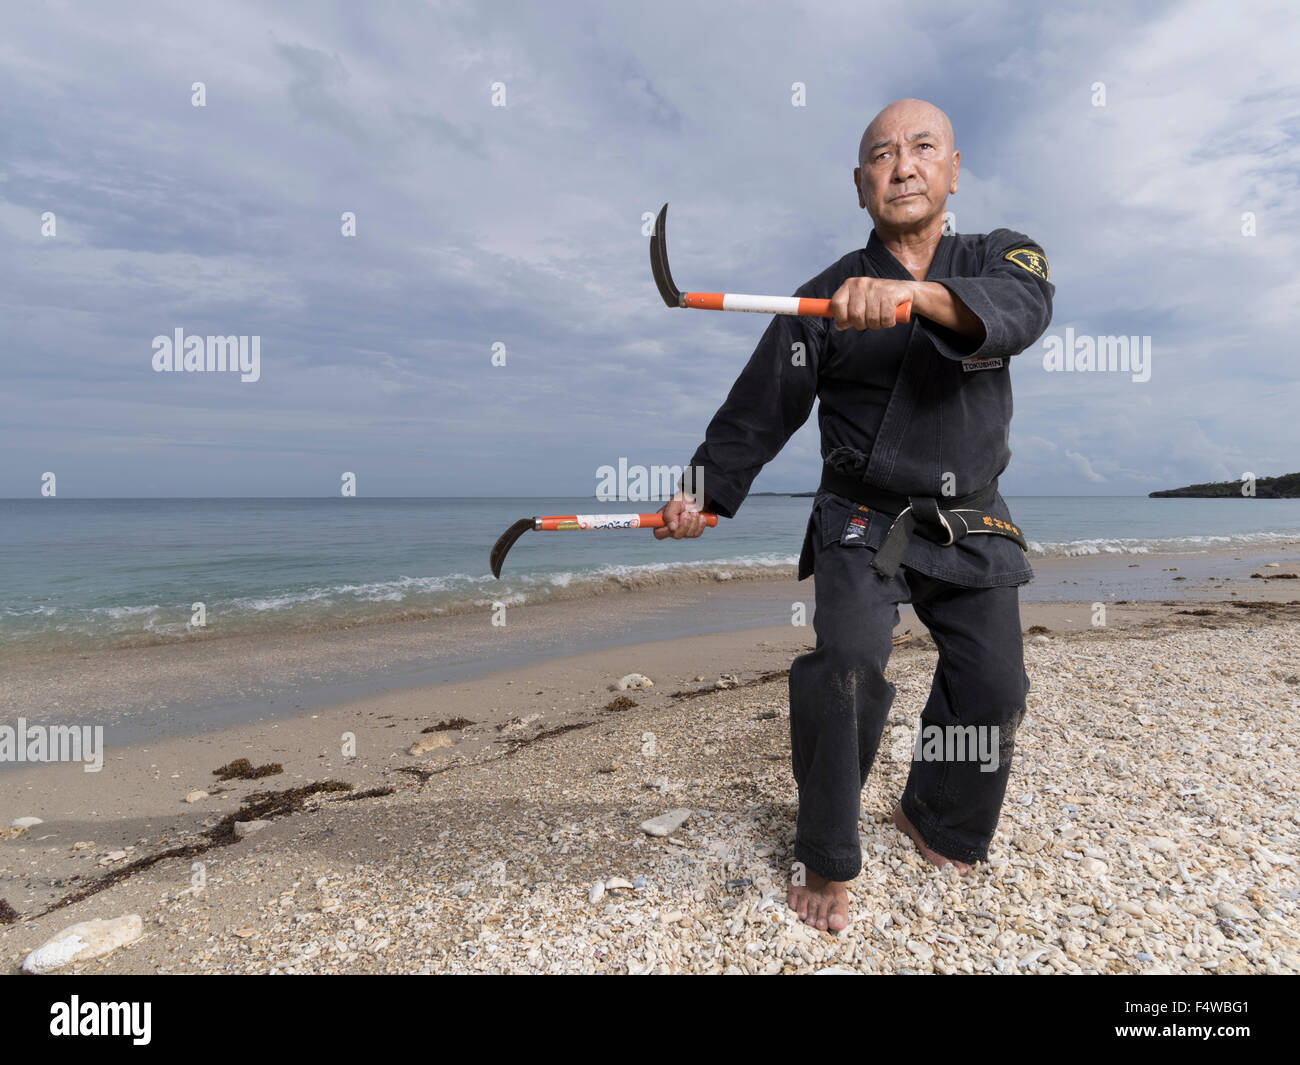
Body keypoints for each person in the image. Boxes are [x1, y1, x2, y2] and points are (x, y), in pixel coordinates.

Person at [655, 98, 1054, 932]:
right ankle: (826, 854)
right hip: (861, 520)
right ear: (860, 185)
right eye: (881, 154)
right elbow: (756, 413)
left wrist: (919, 300)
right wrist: (699, 494)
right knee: (846, 666)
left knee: (995, 685)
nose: (902, 165)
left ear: (952, 170)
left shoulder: (1004, 257)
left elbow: (1023, 314)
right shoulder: (823, 298)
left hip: (970, 519)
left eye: (921, 148)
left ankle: (934, 813)